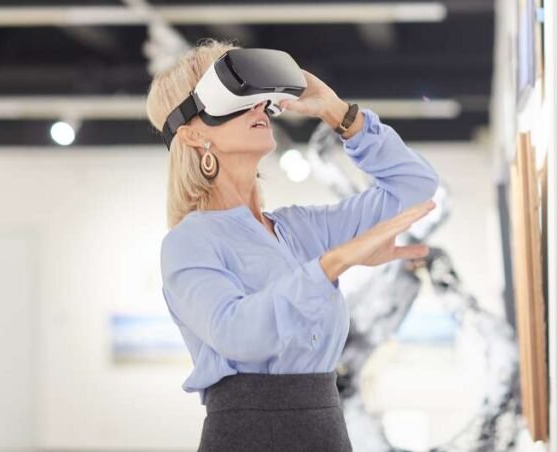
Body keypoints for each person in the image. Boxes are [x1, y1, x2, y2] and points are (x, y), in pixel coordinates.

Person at [145, 39, 440, 452]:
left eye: (258, 100)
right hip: (248, 436)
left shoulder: (301, 230)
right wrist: (332, 264)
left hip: (325, 428)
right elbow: (240, 334)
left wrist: (341, 115)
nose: (256, 108)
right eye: (234, 100)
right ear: (193, 134)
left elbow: (416, 188)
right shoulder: (189, 242)